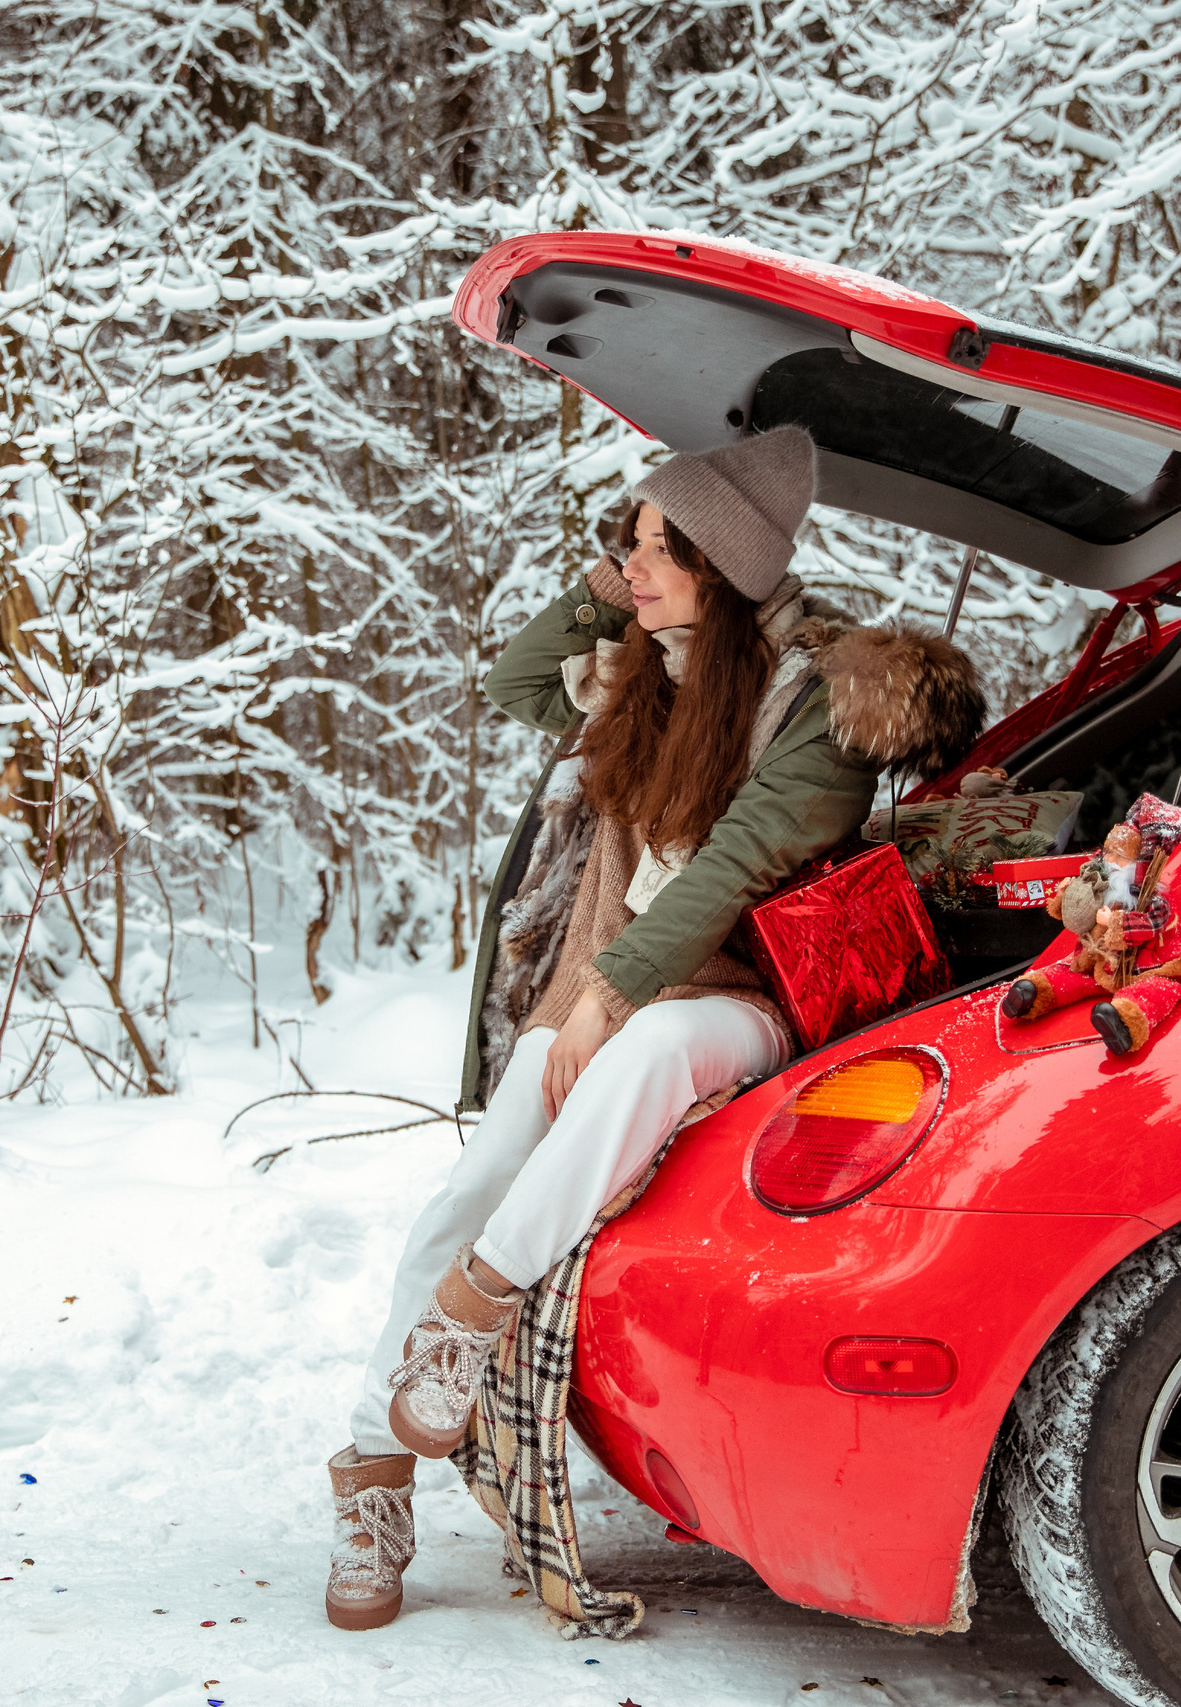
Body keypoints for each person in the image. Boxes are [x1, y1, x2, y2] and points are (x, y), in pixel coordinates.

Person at [323, 425, 986, 1630]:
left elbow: (734, 864)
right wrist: (606, 580)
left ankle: (475, 1311)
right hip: (612, 983)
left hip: (744, 996)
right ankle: (372, 1466)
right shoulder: (645, 670)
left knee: (647, 1050)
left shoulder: (818, 700)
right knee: (478, 1168)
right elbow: (516, 684)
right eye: (625, 543)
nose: (631, 566)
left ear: (723, 565)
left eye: (657, 548)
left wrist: (609, 991)